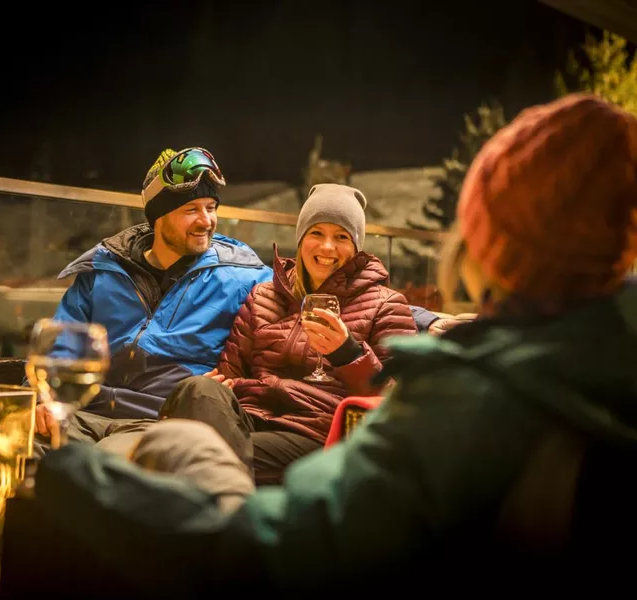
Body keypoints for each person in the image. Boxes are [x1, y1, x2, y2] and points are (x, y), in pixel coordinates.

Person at [34, 94, 637, 594]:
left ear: (492, 247)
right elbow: (216, 365)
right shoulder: (141, 277)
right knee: (184, 412)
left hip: (293, 440)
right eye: (315, 234)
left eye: (212, 208)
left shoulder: (466, 395)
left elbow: (292, 544)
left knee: (150, 460)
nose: (207, 220)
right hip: (182, 415)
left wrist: (386, 338)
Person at [157, 184, 418, 483]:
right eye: (317, 233)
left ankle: (213, 486)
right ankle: (224, 490)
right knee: (196, 388)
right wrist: (216, 387)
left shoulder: (386, 304)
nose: (327, 247)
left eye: (341, 237)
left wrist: (349, 354)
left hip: (316, 432)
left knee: (193, 454)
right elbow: (228, 373)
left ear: (356, 246)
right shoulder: (264, 296)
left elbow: (402, 402)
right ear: (301, 237)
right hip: (249, 420)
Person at [33, 147, 273, 449]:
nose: (206, 220)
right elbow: (61, 343)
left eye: (211, 207)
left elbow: (288, 328)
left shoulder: (241, 275)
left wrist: (233, 389)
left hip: (160, 421)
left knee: (102, 462)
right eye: (191, 210)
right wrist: (45, 400)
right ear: (159, 217)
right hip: (82, 414)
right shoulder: (104, 271)